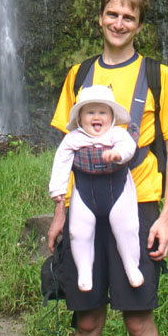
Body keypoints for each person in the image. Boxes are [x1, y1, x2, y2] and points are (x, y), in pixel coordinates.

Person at [47, 0, 168, 336]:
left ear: (139, 26)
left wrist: (166, 217)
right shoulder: (79, 75)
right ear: (100, 18)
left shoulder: (159, 76)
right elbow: (65, 150)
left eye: (129, 17)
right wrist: (59, 212)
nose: (119, 23)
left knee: (138, 318)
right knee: (88, 318)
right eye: (113, 14)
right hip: (85, 206)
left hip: (138, 203)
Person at [48, 84, 144, 292]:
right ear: (80, 118)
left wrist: (118, 154)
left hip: (117, 192)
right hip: (84, 193)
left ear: (112, 116)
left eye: (102, 112)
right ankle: (84, 270)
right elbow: (61, 162)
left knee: (127, 229)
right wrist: (58, 191)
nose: (96, 117)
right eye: (90, 112)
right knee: (79, 232)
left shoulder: (117, 135)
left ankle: (131, 265)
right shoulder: (73, 139)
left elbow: (129, 147)